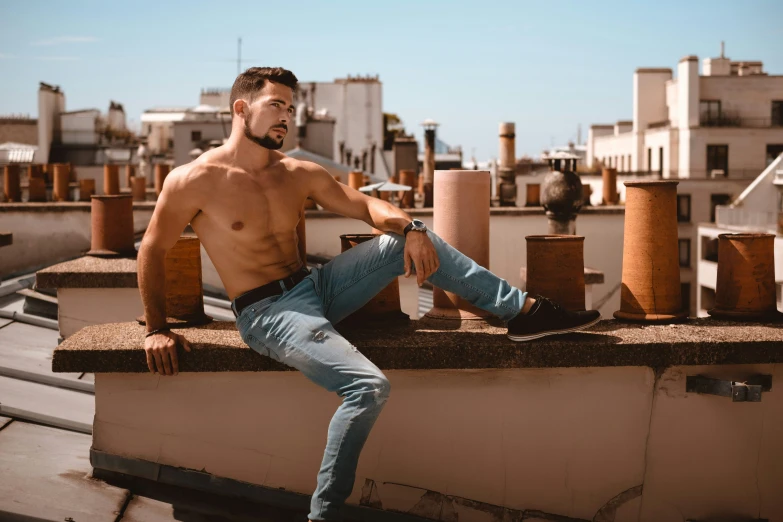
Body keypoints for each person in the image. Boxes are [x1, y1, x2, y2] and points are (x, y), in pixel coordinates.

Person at [138, 67, 601, 522]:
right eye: (276, 105)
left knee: (410, 238)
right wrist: (156, 329)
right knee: (368, 387)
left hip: (314, 285)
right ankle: (323, 515)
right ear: (241, 109)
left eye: (291, 108)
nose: (286, 117)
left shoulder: (297, 172)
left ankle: (522, 311)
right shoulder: (193, 180)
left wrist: (413, 227)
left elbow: (364, 205)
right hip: (267, 313)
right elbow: (151, 252)